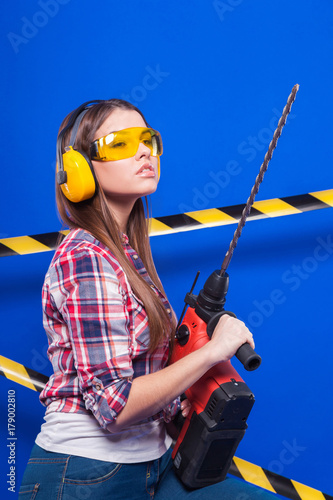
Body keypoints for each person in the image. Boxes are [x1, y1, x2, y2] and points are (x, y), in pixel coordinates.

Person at [19, 99, 277, 499]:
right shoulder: (85, 257)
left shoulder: (126, 253)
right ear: (79, 170)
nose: (144, 152)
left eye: (148, 139)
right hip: (86, 475)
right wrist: (211, 354)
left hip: (154, 462)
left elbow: (143, 373)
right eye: (121, 143)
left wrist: (180, 406)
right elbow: (114, 407)